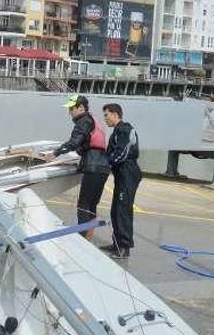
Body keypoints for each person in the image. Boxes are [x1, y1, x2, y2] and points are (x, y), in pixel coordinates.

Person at [41, 95, 110, 239]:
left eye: (72, 108)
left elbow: (74, 142)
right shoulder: (92, 120)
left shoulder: (84, 121)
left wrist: (55, 153)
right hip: (102, 166)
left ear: (81, 108)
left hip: (93, 166)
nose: (70, 112)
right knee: (91, 205)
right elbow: (84, 145)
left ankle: (81, 239)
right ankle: (88, 235)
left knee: (83, 204)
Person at [100, 103, 141, 259]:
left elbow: (121, 153)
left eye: (107, 115)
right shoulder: (117, 131)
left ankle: (124, 248)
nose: (105, 119)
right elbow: (111, 152)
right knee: (115, 210)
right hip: (122, 173)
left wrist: (106, 162)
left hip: (128, 173)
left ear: (115, 114)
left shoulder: (124, 130)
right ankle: (117, 243)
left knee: (123, 210)